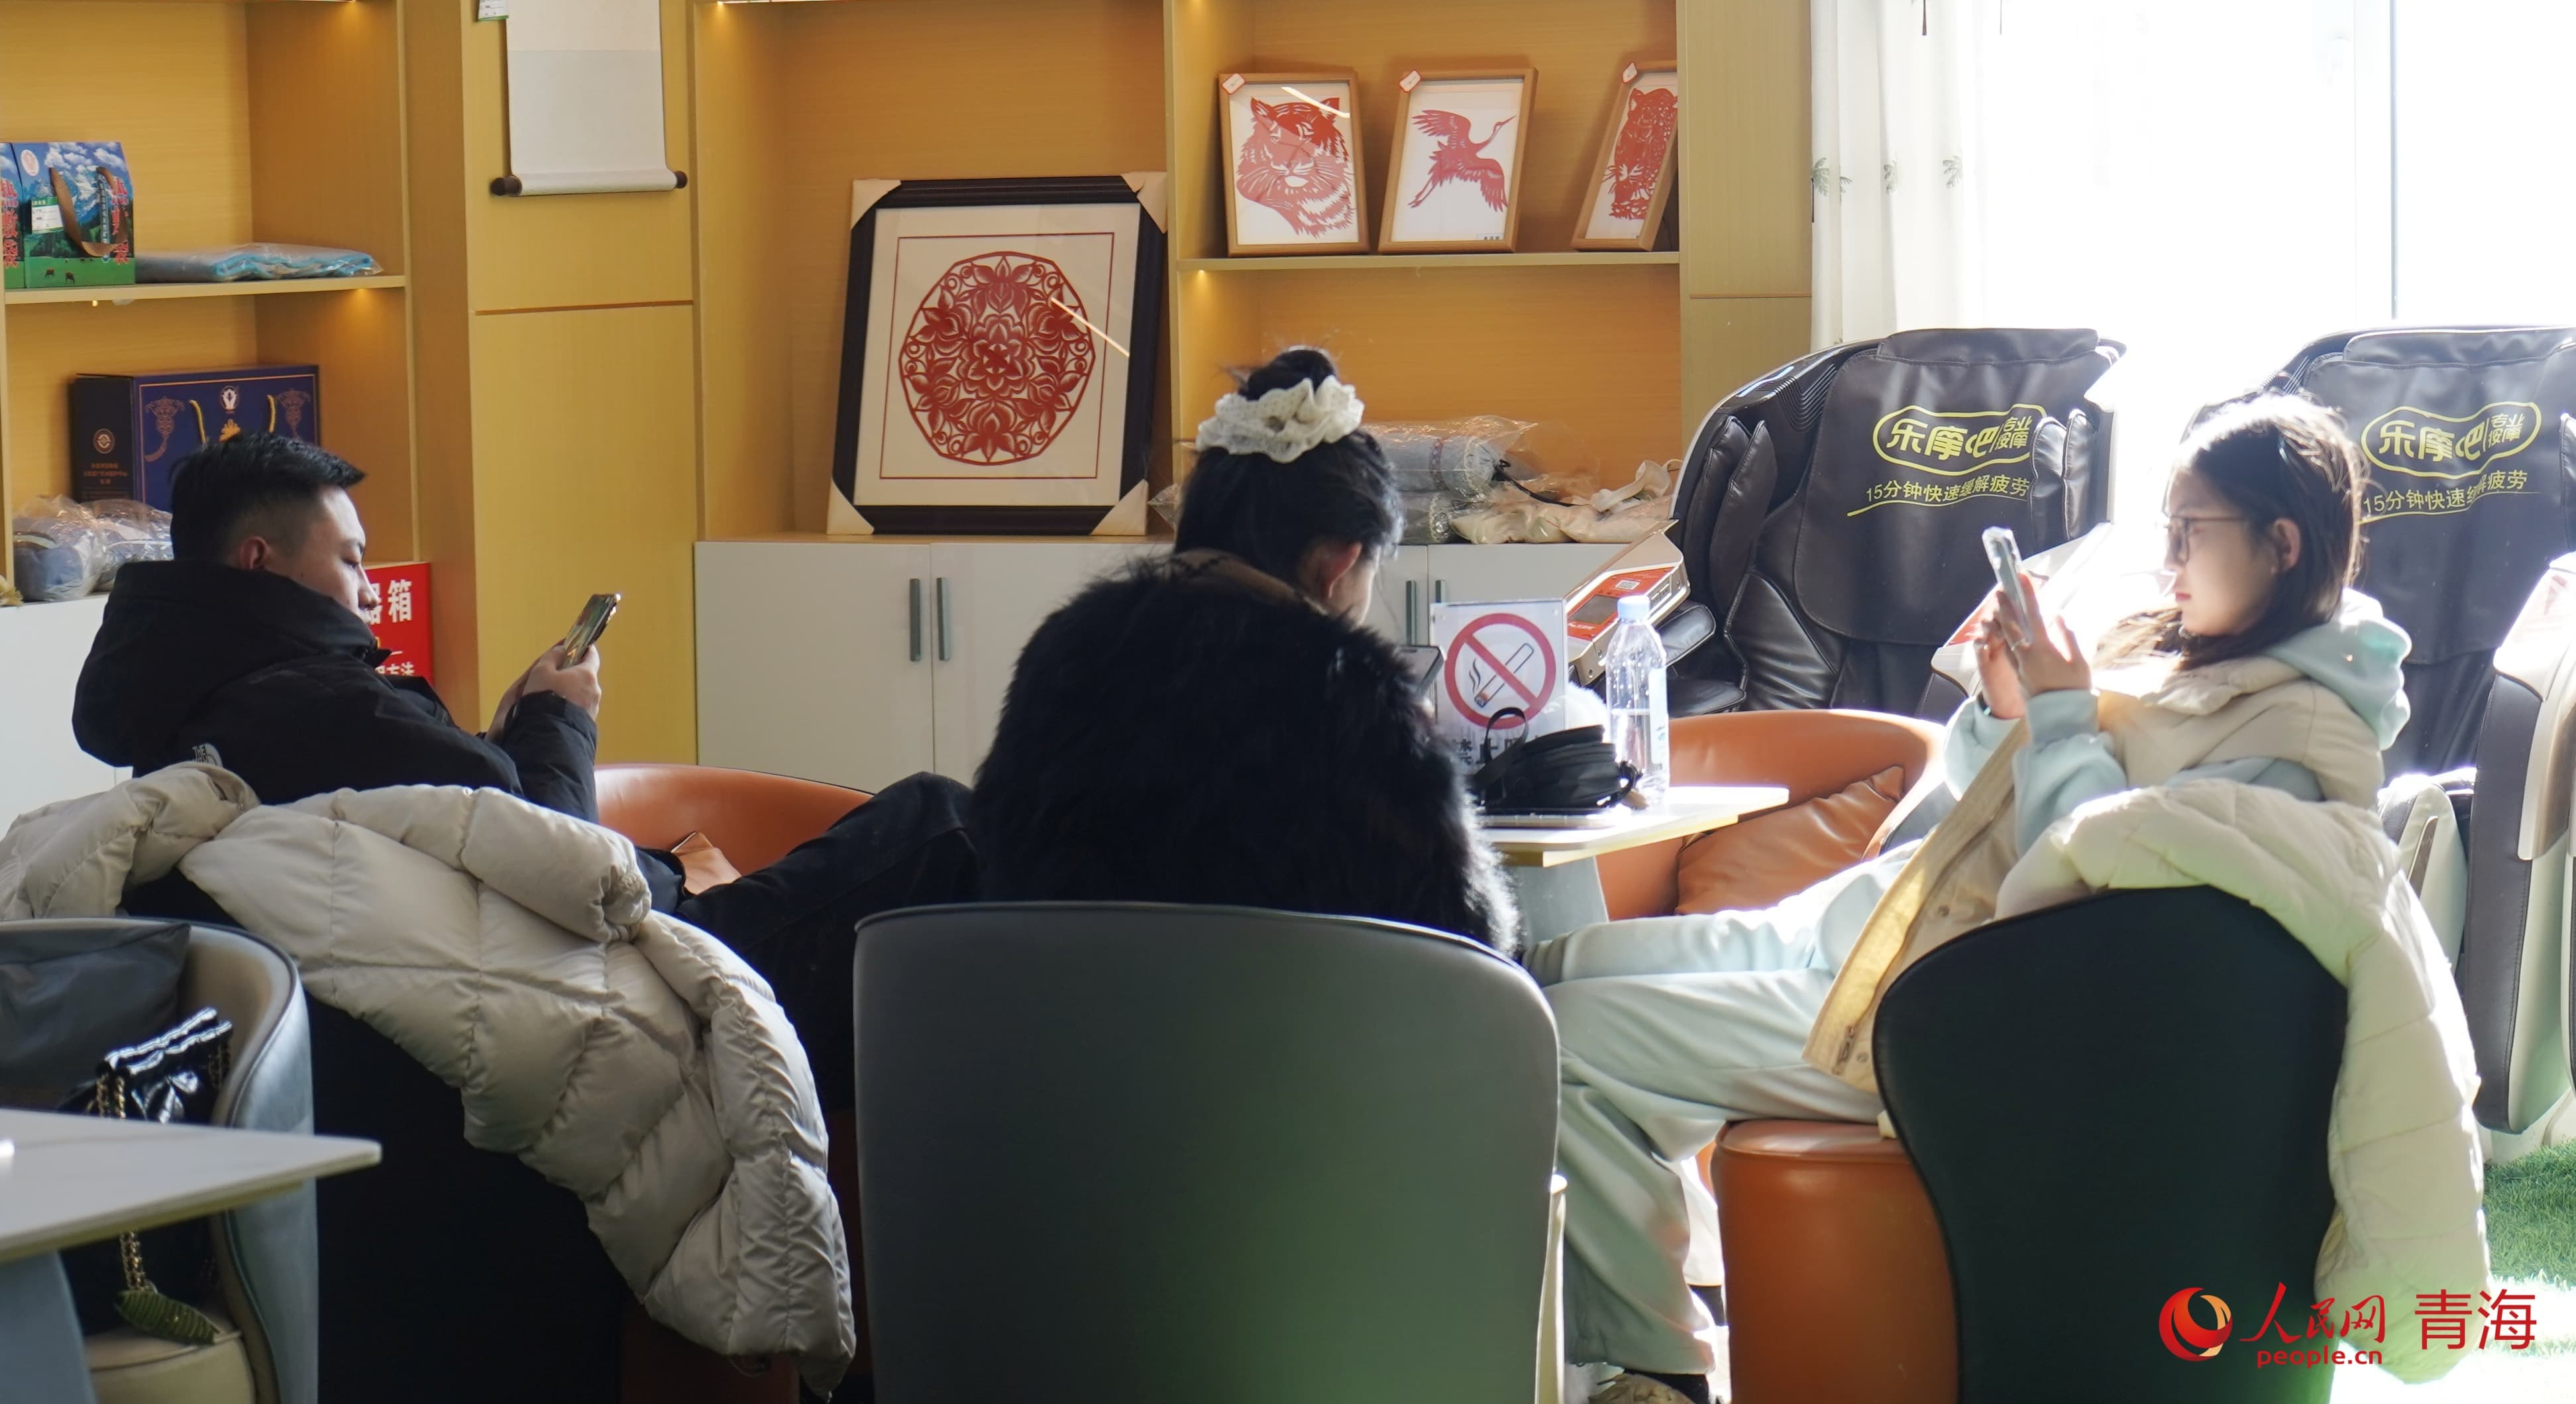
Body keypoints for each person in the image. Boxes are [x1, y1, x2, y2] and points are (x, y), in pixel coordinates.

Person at [1534, 395, 2409, 1404]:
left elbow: (2105, 902)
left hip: (1950, 1012)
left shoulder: (2295, 738)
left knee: (1557, 1040)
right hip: (1881, 933)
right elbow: (1992, 807)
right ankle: (1664, 1280)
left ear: (2282, 543)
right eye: (2166, 530)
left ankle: (1658, 1367)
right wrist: (2007, 709)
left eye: (2190, 531)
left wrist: (2062, 713)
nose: (2169, 559)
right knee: (1544, 974)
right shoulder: (2201, 658)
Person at [75, 434, 977, 1106]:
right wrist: (561, 716)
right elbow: (564, 855)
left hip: (500, 967)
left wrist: (506, 738)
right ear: (260, 561)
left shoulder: (189, 704)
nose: (369, 587)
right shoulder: (326, 703)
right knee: (939, 822)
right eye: (350, 559)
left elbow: (457, 808)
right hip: (625, 972)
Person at [971, 347, 1516, 949]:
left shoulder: (1064, 647)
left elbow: (999, 858)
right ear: (1338, 563)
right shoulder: (1355, 696)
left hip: (1063, 1004)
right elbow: (1469, 935)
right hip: (1298, 1012)